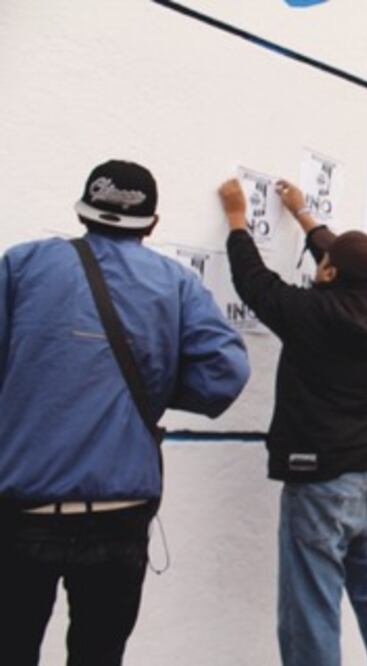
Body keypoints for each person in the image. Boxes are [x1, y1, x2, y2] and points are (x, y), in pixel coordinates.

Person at [0, 160, 251, 666]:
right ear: (151, 223)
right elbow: (225, 372)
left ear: (84, 211)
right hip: (122, 513)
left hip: (21, 507)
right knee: (99, 654)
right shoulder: (176, 284)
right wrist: (154, 387)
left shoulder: (22, 266)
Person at [217, 178, 367, 666]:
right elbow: (341, 259)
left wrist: (237, 219)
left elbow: (253, 281)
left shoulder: (307, 312)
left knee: (312, 611)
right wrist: (304, 213)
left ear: (327, 273)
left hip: (320, 483)